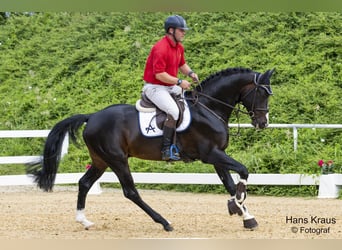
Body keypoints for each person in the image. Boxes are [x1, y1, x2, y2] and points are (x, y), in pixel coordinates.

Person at [142, 14, 199, 161]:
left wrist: (191, 73)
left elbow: (182, 65)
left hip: (168, 86)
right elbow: (159, 74)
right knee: (173, 110)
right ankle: (166, 149)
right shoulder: (160, 48)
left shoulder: (179, 47)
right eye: (181, 30)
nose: (184, 32)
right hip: (155, 87)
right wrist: (180, 82)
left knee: (191, 98)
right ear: (171, 30)